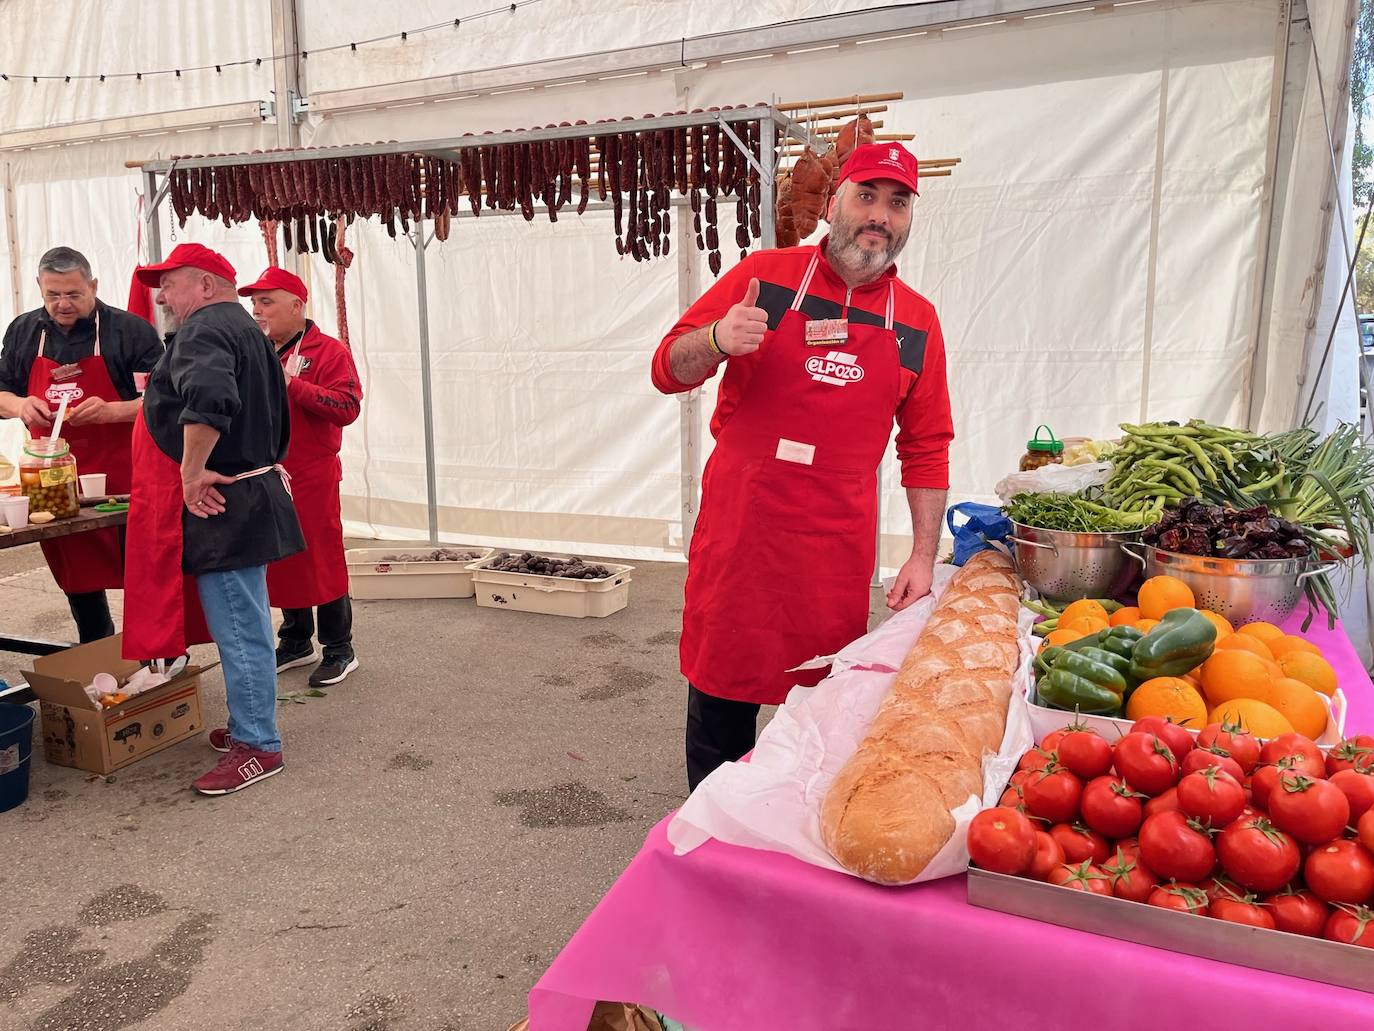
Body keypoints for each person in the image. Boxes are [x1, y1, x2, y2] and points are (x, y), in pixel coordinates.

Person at [651, 143, 954, 790]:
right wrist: (713, 341)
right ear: (833, 200)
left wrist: (923, 554)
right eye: (867, 195)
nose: (880, 215)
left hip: (832, 554)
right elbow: (665, 368)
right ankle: (712, 845)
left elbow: (927, 445)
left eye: (897, 203)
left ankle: (791, 857)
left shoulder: (918, 324)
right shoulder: (765, 275)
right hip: (742, 537)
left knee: (818, 726)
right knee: (720, 714)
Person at [124, 244, 304, 796]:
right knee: (245, 619)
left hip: (224, 499)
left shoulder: (205, 329)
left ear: (203, 286)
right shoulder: (244, 328)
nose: (162, 297)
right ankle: (254, 726)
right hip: (249, 491)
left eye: (171, 286)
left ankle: (259, 746)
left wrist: (192, 471)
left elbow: (210, 398)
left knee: (240, 629)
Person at [0, 247, 163, 641]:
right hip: (54, 481)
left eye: (73, 294)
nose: (63, 304)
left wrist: (114, 411)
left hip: (125, 475)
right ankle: (98, 649)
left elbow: (165, 402)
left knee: (145, 572)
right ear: (40, 287)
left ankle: (161, 655)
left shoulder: (130, 331)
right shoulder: (25, 331)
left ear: (93, 285)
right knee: (79, 577)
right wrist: (21, 404)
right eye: (53, 294)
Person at [239, 268, 363, 686]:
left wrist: (293, 385)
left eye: (266, 302)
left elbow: (347, 407)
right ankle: (295, 640)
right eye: (254, 303)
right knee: (281, 558)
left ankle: (339, 648)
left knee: (321, 558)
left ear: (296, 304)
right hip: (266, 473)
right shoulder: (253, 351)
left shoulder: (329, 351)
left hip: (312, 473)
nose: (257, 310)